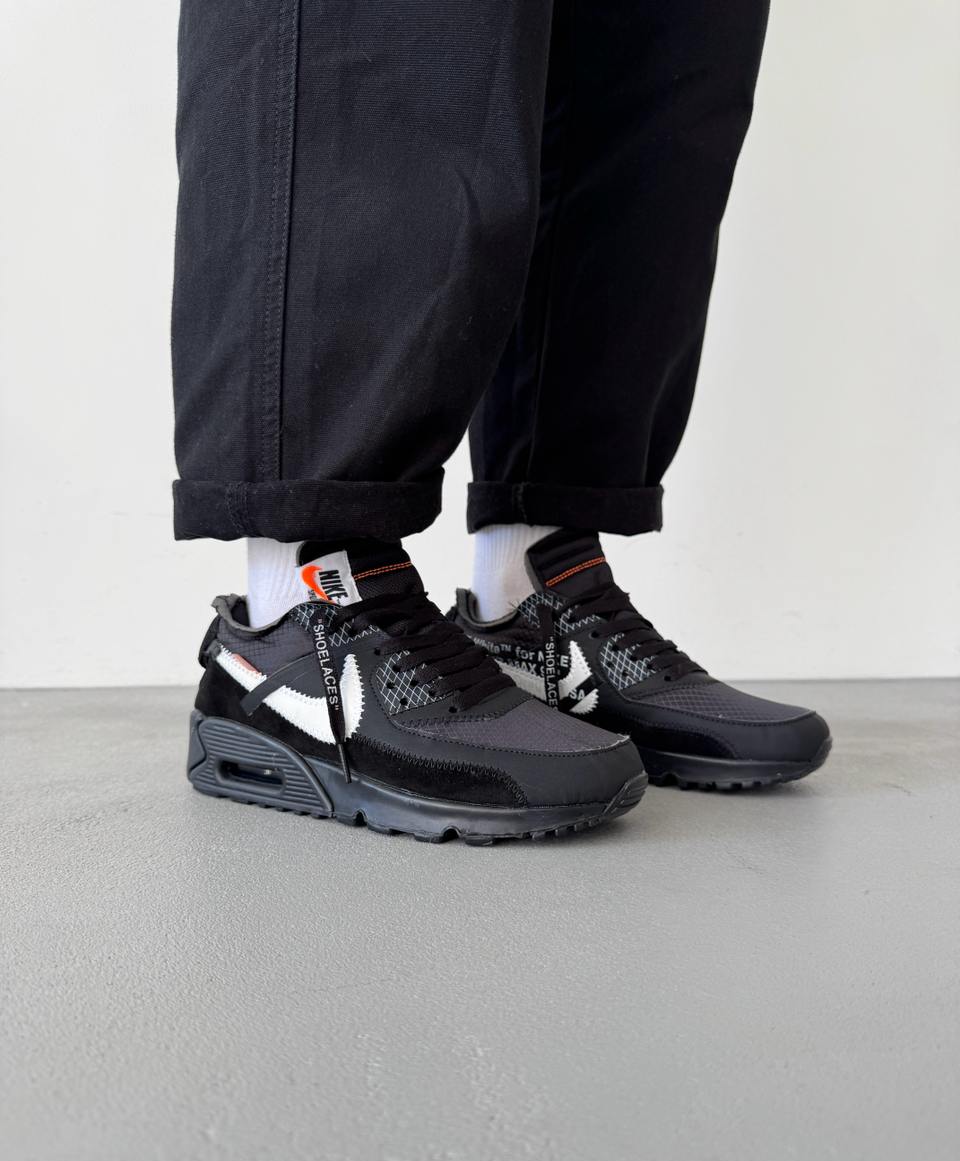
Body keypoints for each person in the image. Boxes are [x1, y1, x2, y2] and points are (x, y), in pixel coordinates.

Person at [173, 0, 830, 843]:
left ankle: (530, 594)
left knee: (658, 63)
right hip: (301, 615)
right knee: (393, 34)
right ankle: (293, 615)